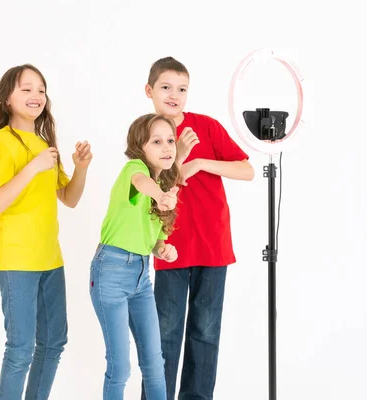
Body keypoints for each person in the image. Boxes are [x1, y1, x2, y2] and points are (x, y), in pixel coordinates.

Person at [141, 57, 254, 400]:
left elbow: (246, 170)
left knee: (205, 332)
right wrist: (180, 162)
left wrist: (201, 162)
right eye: (165, 87)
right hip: (170, 245)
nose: (174, 95)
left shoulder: (206, 126)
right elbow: (145, 185)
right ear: (149, 91)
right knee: (165, 333)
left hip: (212, 245)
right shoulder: (146, 133)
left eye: (182, 89)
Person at [0, 64, 93, 400]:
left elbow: (69, 199)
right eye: (26, 89)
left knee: (54, 342)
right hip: (17, 260)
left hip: (49, 258)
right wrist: (32, 167)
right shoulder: (2, 143)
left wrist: (81, 168)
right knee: (20, 348)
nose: (36, 96)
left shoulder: (45, 143)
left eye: (41, 90)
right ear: (6, 98)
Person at [90, 113, 182, 400]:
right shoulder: (134, 169)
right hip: (111, 271)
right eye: (156, 141)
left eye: (170, 141)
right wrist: (159, 195)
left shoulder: (166, 188)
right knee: (119, 367)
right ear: (140, 147)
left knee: (155, 364)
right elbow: (141, 182)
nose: (166, 147)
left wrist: (162, 249)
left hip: (142, 276)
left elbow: (153, 241)